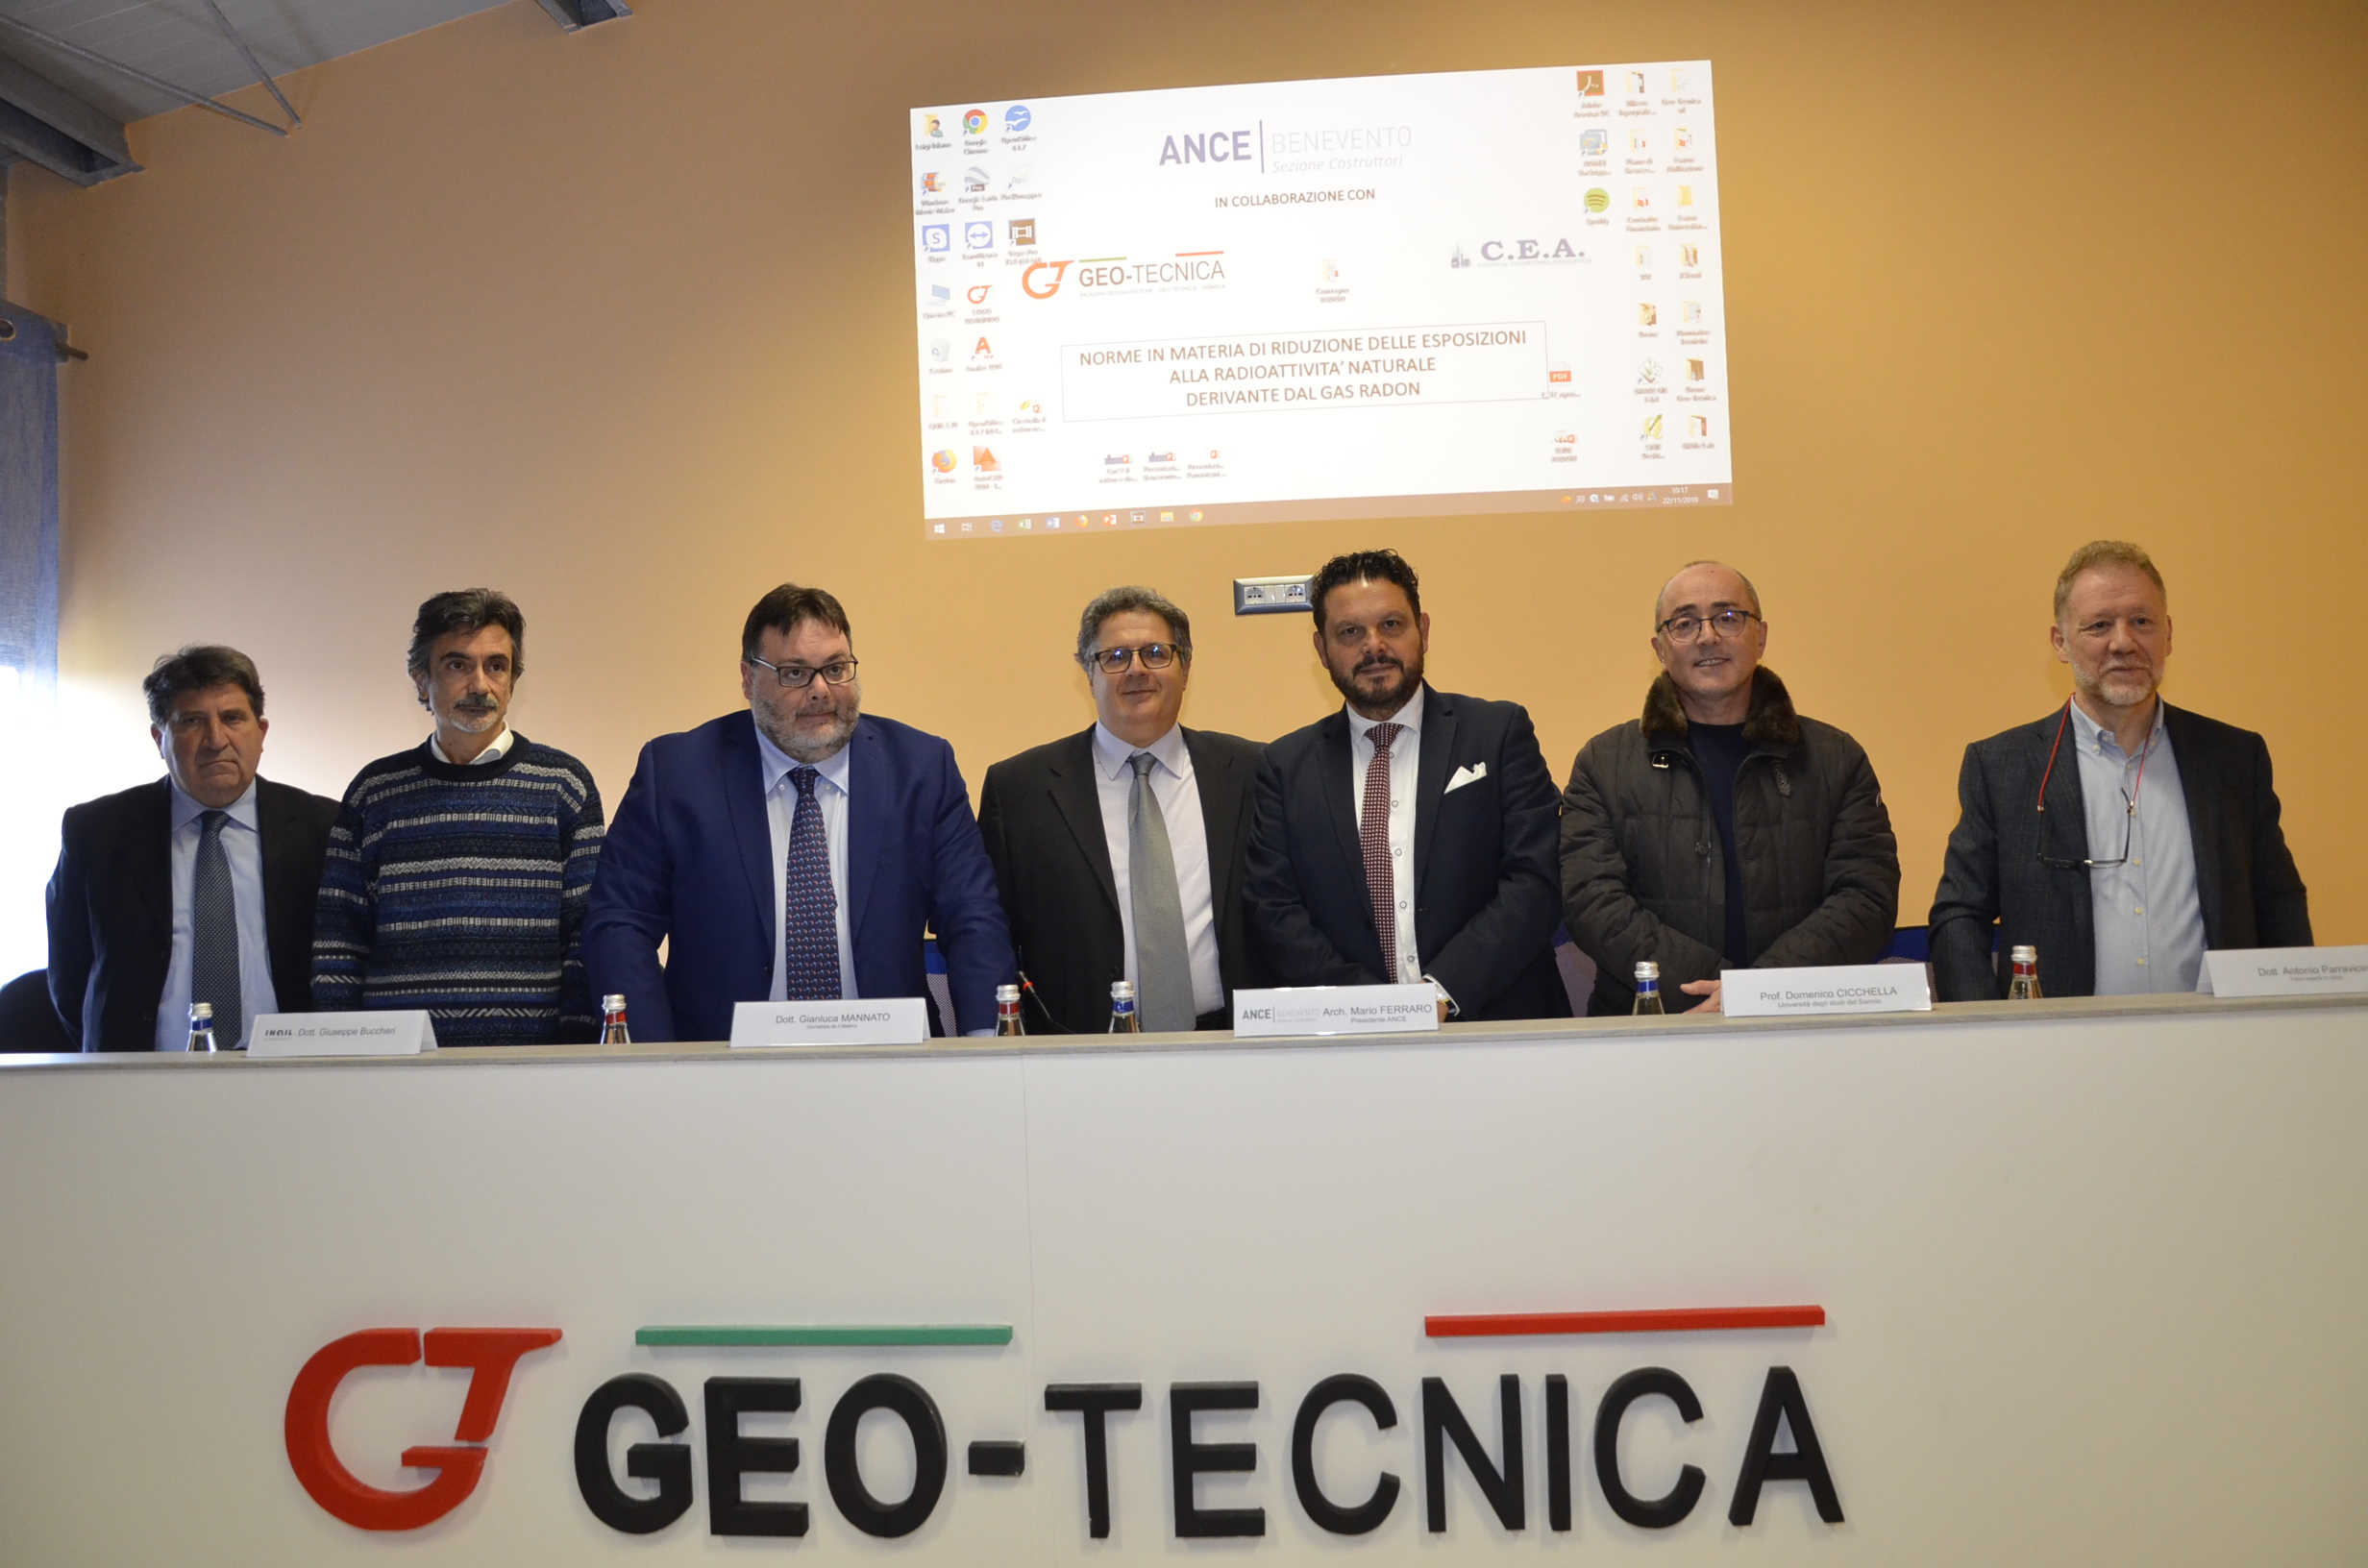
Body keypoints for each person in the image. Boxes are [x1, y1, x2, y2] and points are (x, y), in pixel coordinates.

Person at [583, 583, 1013, 1041]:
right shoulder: (676, 774)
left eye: (836, 668)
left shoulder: (921, 768)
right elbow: (620, 924)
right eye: (794, 673)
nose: (820, 690)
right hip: (721, 1061)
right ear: (748, 679)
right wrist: (654, 1061)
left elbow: (973, 917)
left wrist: (988, 1043)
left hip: (890, 1054)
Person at [1930, 540, 2309, 1000]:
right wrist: (1989, 1030)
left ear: (2168, 634)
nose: (2124, 642)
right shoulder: (2001, 767)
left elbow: (2278, 904)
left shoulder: (2233, 758)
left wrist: (2291, 1018)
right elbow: (1959, 915)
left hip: (2214, 1034)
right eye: (2099, 625)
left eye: (2142, 621)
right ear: (2060, 643)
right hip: (2061, 1037)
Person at [1560, 561, 1900, 1015]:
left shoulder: (1835, 758)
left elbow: (1867, 897)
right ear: (1660, 648)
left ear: (1761, 636)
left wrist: (1761, 992)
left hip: (1805, 1022)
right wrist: (1714, 991)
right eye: (1684, 623)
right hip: (1654, 1023)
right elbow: (1593, 903)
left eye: (1727, 617)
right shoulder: (1604, 763)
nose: (1707, 637)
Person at [1244, 550, 1567, 1021]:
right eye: (1350, 632)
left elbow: (1535, 881)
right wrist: (1375, 1010)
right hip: (1351, 1037)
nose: (1374, 646)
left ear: (1424, 632)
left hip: (1499, 1026)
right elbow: (1274, 909)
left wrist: (1441, 994)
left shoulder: (1498, 733)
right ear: (1322, 649)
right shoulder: (1284, 766)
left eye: (1391, 625)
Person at [310, 590, 604, 1045]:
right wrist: (342, 1053)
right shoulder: (375, 791)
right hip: (397, 1063)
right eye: (457, 665)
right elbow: (339, 942)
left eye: (496, 666)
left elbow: (586, 936)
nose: (480, 685)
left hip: (529, 1063)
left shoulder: (563, 785)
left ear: (513, 681)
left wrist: (573, 1048)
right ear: (421, 681)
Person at [977, 587, 1267, 1033]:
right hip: (1080, 1046)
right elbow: (991, 934)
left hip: (1234, 1039)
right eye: (1114, 657)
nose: (1136, 670)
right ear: (1088, 674)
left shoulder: (1253, 772)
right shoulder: (1019, 790)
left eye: (1156, 653)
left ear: (1186, 668)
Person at [45, 646, 339, 1051]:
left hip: (286, 1069)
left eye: (233, 718)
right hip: (140, 1074)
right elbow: (69, 975)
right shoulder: (97, 831)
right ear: (159, 738)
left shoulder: (324, 827)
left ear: (261, 732)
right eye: (192, 721)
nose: (216, 740)